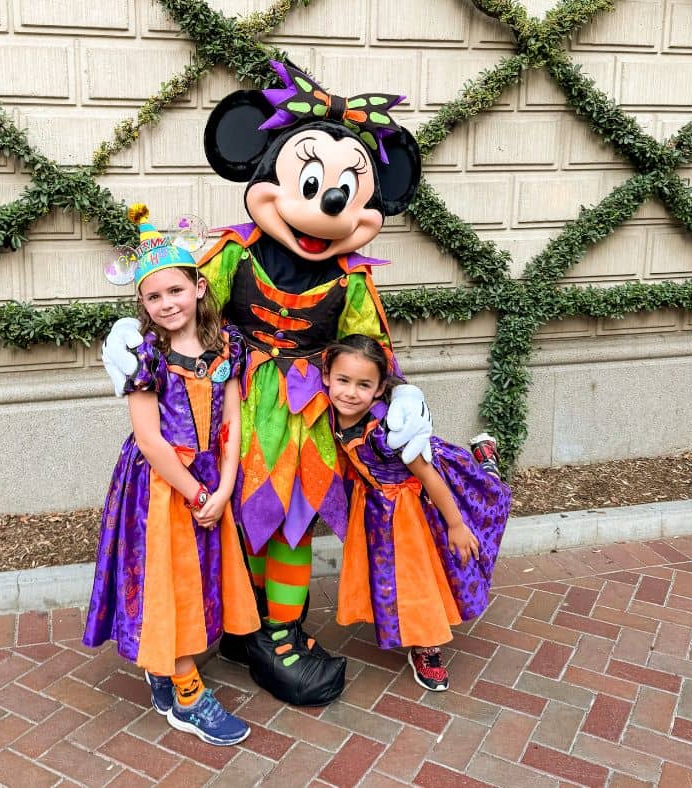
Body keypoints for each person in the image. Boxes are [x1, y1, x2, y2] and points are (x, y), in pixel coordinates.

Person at [101, 61, 433, 707]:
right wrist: (132, 334)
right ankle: (248, 622)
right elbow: (182, 307)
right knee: (238, 519)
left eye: (347, 189)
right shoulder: (230, 254)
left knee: (293, 522)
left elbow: (370, 348)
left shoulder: (352, 280)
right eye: (309, 181)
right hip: (232, 402)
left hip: (308, 415)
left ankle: (279, 630)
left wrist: (398, 389)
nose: (326, 205)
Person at [83, 206, 259, 745]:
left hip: (210, 481)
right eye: (153, 297)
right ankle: (186, 690)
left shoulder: (226, 347)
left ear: (198, 287)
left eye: (175, 291)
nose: (167, 304)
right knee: (170, 577)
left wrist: (224, 488)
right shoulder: (145, 357)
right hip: (162, 487)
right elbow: (149, 438)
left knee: (195, 579)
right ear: (141, 303)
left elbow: (231, 422)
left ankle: (165, 666)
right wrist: (195, 491)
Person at [323, 334, 511, 691]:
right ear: (327, 376)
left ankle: (427, 646)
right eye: (343, 381)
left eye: (364, 385)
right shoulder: (331, 412)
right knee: (388, 574)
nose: (350, 392)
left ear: (380, 390)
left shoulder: (390, 431)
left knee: (481, 505)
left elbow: (429, 474)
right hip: (375, 507)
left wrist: (455, 525)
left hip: (412, 506)